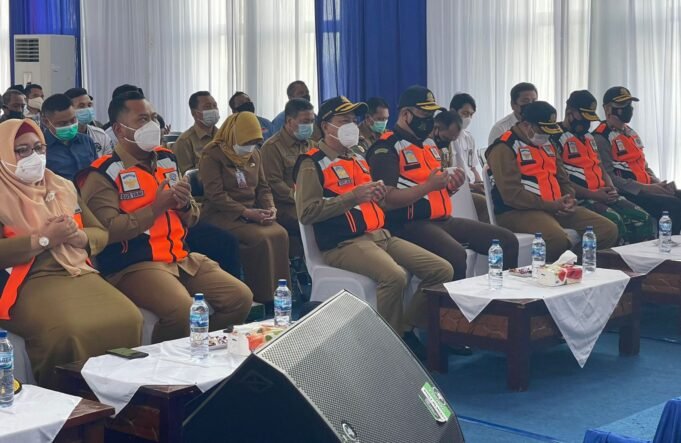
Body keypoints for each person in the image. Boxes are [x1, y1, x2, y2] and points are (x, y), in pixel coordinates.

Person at [78, 91, 253, 343]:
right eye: (142, 120)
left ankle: (200, 349)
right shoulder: (103, 173)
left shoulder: (166, 159)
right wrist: (155, 209)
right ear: (119, 129)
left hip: (180, 257)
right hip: (135, 265)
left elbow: (192, 216)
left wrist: (184, 206)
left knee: (240, 298)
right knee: (183, 310)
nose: (151, 125)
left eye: (153, 118)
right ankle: (165, 364)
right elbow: (106, 232)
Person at [294, 96, 453, 359]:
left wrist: (377, 195)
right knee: (395, 276)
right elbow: (307, 212)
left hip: (379, 235)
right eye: (343, 121)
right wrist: (352, 197)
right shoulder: (312, 163)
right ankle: (388, 352)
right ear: (325, 126)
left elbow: (372, 200)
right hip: (344, 243)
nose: (351, 125)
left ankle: (404, 329)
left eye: (353, 120)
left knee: (441, 269)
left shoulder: (357, 156)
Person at [0, 118, 142, 388]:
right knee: (68, 331)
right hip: (26, 280)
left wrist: (79, 236)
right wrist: (43, 239)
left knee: (129, 317)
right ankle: (66, 401)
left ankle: (120, 399)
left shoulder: (61, 186)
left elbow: (100, 233)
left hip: (77, 270)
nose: (34, 156)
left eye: (39, 148)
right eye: (22, 150)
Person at [367, 86, 518, 281]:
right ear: (405, 114)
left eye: (431, 114)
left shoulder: (428, 145)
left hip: (442, 219)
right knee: (455, 255)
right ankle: (451, 302)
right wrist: (429, 186)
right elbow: (386, 200)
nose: (429, 120)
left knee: (507, 241)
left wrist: (451, 186)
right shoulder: (386, 148)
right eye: (424, 114)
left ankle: (502, 298)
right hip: (407, 224)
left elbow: (434, 188)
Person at [486, 101, 618, 261]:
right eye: (542, 130)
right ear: (527, 125)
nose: (546, 135)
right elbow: (511, 194)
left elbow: (563, 179)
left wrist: (569, 199)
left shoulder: (548, 144)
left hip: (556, 207)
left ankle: (572, 265)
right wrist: (550, 205)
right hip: (517, 211)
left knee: (607, 230)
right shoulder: (505, 147)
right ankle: (554, 270)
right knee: (556, 239)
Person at [200, 111, 290, 303]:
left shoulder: (254, 153)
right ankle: (261, 297)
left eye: (254, 142)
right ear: (234, 134)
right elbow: (215, 195)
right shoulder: (212, 154)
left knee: (280, 233)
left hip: (252, 211)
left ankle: (280, 295)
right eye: (246, 141)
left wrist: (271, 208)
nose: (250, 146)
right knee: (260, 238)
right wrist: (246, 213)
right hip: (222, 214)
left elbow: (263, 187)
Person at [553, 90, 653, 244]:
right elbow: (560, 180)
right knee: (616, 221)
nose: (587, 122)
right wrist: (593, 195)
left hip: (603, 193)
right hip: (582, 197)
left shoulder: (589, 137)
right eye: (584, 116)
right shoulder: (555, 137)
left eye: (590, 117)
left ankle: (638, 257)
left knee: (643, 218)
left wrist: (611, 187)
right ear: (570, 112)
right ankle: (611, 258)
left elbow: (600, 166)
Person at [593, 86, 681, 234]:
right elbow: (609, 176)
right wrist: (646, 188)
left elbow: (643, 166)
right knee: (672, 205)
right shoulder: (600, 137)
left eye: (629, 104)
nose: (628, 108)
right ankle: (667, 245)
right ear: (608, 109)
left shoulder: (631, 133)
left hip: (648, 188)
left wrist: (658, 183)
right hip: (629, 193)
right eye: (622, 105)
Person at [260, 98, 315, 256]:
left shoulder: (312, 145)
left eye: (312, 121)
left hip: (311, 201)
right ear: (290, 122)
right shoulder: (272, 147)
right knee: (315, 222)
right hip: (285, 205)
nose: (309, 126)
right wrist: (300, 198)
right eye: (305, 122)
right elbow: (273, 183)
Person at [435, 106, 489, 223]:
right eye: (445, 137)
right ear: (436, 128)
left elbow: (452, 173)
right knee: (482, 203)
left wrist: (476, 185)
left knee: (488, 200)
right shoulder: (427, 144)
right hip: (438, 194)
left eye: (452, 139)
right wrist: (471, 187)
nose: (447, 142)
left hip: (454, 189)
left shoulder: (449, 143)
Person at [41, 94, 97, 181]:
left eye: (73, 120)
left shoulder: (87, 141)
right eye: (62, 123)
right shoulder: (41, 148)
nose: (70, 126)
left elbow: (97, 172)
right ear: (46, 122)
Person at [173, 91, 220, 175]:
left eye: (215, 105)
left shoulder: (224, 135)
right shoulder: (184, 141)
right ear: (194, 113)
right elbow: (187, 177)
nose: (213, 110)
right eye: (207, 107)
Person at [64, 87, 114, 158]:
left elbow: (110, 161)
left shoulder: (101, 136)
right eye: (81, 106)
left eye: (89, 105)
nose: (87, 109)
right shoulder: (62, 137)